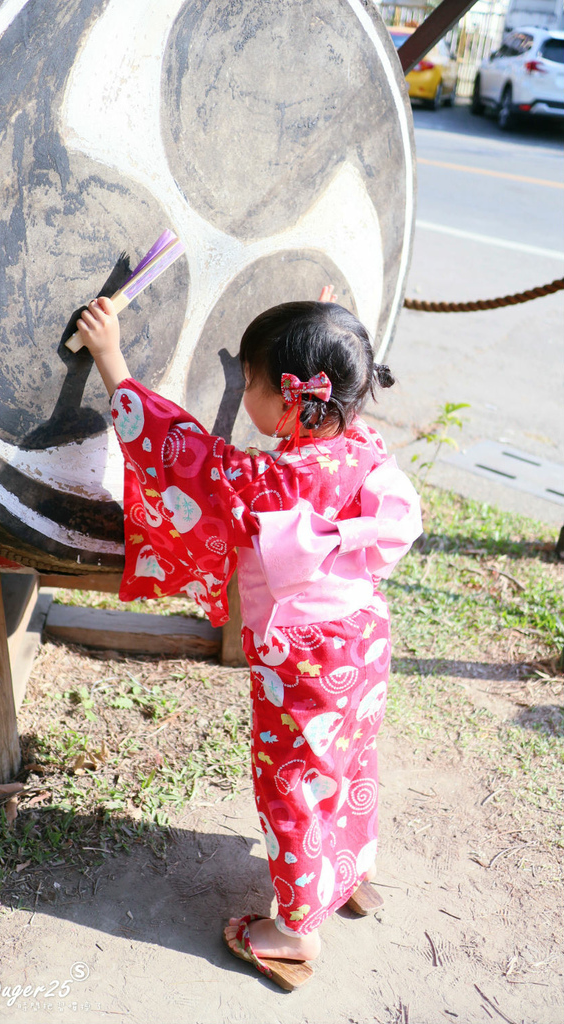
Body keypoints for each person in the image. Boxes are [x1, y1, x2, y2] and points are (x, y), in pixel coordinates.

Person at [75, 289, 422, 990]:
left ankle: (293, 932)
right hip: (359, 642)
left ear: (293, 402)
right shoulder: (359, 442)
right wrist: (320, 325)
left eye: (254, 383)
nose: (247, 393)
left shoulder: (262, 481)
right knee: (346, 761)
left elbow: (181, 455)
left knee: (290, 782)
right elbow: (319, 383)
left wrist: (112, 361)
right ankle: (348, 869)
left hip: (300, 660)